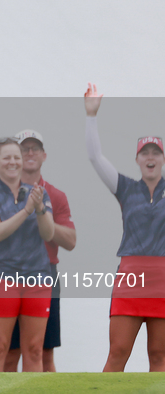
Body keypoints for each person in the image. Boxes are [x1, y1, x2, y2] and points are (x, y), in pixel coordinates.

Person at [85, 83, 165, 372]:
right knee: (117, 353)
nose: (151, 158)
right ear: (137, 159)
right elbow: (96, 157)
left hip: (163, 277)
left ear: (163, 159)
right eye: (146, 153)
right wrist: (91, 116)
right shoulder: (126, 188)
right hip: (131, 277)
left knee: (159, 357)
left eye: (156, 153)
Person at [0, 137, 54, 372]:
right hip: (0, 278)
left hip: (37, 278)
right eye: (6, 157)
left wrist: (39, 208)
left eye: (16, 157)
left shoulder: (39, 193)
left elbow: (48, 233)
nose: (13, 162)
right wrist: (27, 210)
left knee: (33, 348)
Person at [4, 130, 76, 373]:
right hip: (9, 275)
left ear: (44, 155)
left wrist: (41, 214)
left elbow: (70, 240)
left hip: (45, 274)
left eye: (35, 148)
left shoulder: (56, 195)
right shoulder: (2, 193)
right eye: (25, 149)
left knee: (43, 353)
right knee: (8, 353)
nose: (30, 153)